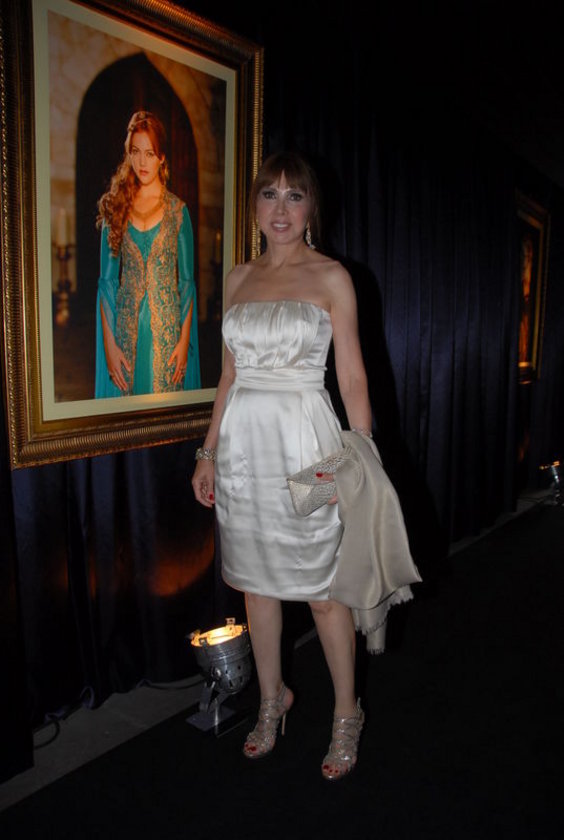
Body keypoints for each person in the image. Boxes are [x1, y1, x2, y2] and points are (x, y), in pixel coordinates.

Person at [191, 151, 374, 781]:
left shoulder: (332, 277)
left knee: (323, 589)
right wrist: (208, 451)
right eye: (269, 194)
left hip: (309, 450)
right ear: (255, 207)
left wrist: (357, 460)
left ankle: (346, 713)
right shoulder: (238, 278)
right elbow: (228, 376)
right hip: (243, 451)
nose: (281, 208)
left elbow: (352, 378)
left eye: (295, 196)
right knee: (256, 585)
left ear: (311, 208)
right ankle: (273, 701)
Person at [95, 110, 200, 397]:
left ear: (162, 157)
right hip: (125, 336)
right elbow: (106, 284)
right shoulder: (116, 208)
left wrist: (183, 342)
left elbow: (187, 283)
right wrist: (110, 348)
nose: (142, 162)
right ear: (128, 153)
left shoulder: (178, 211)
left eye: (150, 153)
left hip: (167, 339)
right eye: (135, 151)